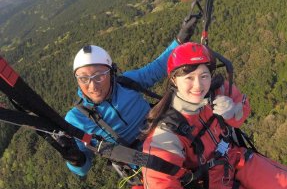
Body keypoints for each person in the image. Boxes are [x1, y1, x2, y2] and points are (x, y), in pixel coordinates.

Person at [141, 42, 287, 189]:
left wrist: (233, 111)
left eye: (204, 76)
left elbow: (243, 109)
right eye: (189, 78)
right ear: (174, 79)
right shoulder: (165, 134)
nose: (198, 85)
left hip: (236, 157)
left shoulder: (218, 91)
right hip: (214, 185)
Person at [60, 15, 198, 178]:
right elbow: (84, 168)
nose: (92, 85)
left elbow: (156, 69)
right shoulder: (75, 119)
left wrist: (180, 40)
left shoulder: (125, 82)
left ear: (111, 73)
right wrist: (75, 160)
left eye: (100, 75)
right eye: (83, 78)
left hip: (165, 132)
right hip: (144, 163)